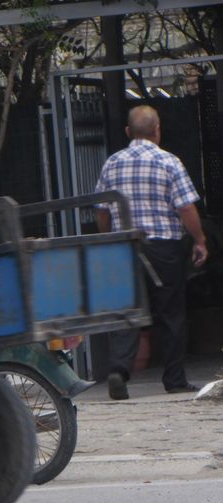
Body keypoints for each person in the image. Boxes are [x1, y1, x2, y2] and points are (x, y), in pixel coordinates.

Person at [94, 105, 208, 400]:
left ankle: (119, 371)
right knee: (171, 313)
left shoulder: (112, 163)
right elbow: (185, 207)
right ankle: (174, 380)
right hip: (163, 248)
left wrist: (109, 240)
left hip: (124, 249)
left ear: (128, 132)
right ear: (157, 130)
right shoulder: (169, 161)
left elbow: (102, 210)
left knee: (127, 312)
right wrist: (199, 240)